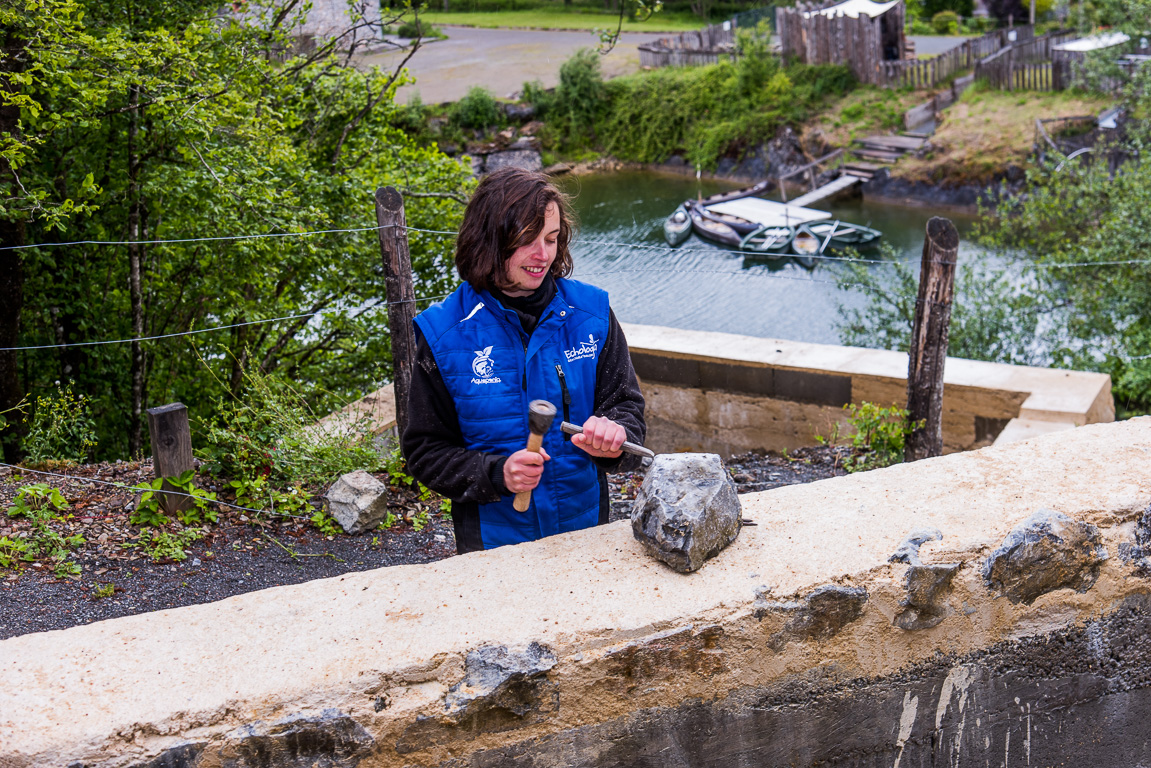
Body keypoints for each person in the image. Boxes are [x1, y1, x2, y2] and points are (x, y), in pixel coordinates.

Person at [402, 167, 646, 553]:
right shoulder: (444, 334)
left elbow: (626, 408)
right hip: (494, 548)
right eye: (526, 240)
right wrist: (497, 473)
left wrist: (616, 437)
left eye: (551, 239)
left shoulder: (592, 314)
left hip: (584, 537)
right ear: (488, 242)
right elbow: (425, 452)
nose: (543, 255)